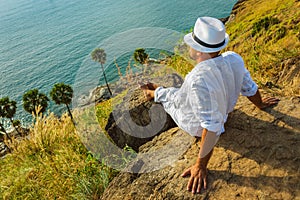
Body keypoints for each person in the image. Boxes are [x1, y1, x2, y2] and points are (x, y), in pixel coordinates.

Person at [141, 16, 279, 194]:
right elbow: (248, 86)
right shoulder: (234, 59)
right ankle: (158, 90)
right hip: (223, 111)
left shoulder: (198, 78)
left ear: (198, 51)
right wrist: (259, 103)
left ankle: (154, 93)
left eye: (192, 44)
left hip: (195, 125)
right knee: (176, 94)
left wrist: (200, 166)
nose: (189, 47)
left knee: (173, 100)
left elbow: (212, 126)